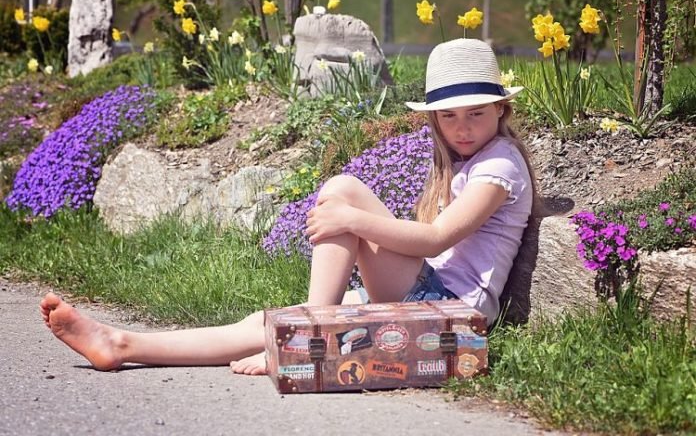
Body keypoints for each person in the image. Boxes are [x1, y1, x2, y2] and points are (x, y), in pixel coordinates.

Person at [39, 38, 539, 375]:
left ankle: (307, 337)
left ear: (502, 107)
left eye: (477, 112)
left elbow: (436, 240)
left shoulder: (502, 166)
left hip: (453, 313)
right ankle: (122, 344)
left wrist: (352, 221)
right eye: (449, 116)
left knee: (343, 190)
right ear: (433, 120)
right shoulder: (464, 161)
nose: (463, 127)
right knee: (263, 322)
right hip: (426, 294)